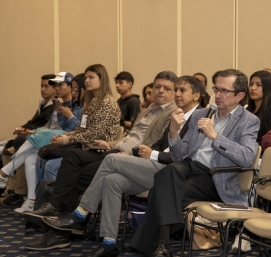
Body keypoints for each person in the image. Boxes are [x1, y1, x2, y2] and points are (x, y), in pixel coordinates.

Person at [25, 76, 203, 257]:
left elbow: (186, 155)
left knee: (110, 160)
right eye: (177, 90)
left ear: (196, 95)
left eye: (182, 90)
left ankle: (80, 214)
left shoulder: (200, 117)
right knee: (112, 181)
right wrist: (149, 150)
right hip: (152, 165)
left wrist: (152, 154)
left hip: (172, 173)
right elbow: (159, 143)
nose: (177, 94)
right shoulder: (178, 114)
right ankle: (109, 243)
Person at [130, 69, 260, 257]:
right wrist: (174, 134)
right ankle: (162, 244)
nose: (218, 95)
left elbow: (246, 157)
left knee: (160, 190)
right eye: (217, 89)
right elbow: (179, 155)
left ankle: (156, 248)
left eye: (225, 91)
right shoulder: (203, 113)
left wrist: (215, 136)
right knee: (170, 170)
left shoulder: (248, 121)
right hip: (188, 167)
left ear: (240, 96)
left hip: (215, 177)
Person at [23, 71, 177, 222]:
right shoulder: (148, 110)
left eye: (167, 88)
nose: (160, 91)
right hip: (115, 150)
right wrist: (109, 144)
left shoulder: (173, 113)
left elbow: (155, 145)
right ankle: (59, 214)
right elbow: (129, 137)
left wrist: (130, 154)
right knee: (73, 157)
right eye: (157, 87)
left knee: (77, 174)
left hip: (132, 159)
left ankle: (64, 220)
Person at [0, 72, 86, 213]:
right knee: (30, 159)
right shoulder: (59, 105)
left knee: (39, 136)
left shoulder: (80, 105)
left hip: (68, 143)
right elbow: (53, 127)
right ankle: (32, 200)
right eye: (55, 85)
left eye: (60, 84)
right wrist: (33, 131)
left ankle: (4, 173)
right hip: (55, 140)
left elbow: (77, 131)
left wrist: (69, 116)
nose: (57, 88)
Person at [0, 74, 57, 200]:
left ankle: (21, 191)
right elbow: (33, 121)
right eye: (41, 86)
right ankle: (11, 187)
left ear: (55, 88)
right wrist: (22, 128)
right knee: (7, 146)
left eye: (46, 86)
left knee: (21, 144)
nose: (42, 89)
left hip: (45, 140)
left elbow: (48, 129)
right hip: (34, 136)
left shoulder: (56, 106)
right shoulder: (43, 103)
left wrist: (27, 131)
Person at [247, 70, 271, 145]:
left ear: (267, 88)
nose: (253, 88)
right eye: (251, 84)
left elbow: (268, 140)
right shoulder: (248, 110)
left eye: (258, 85)